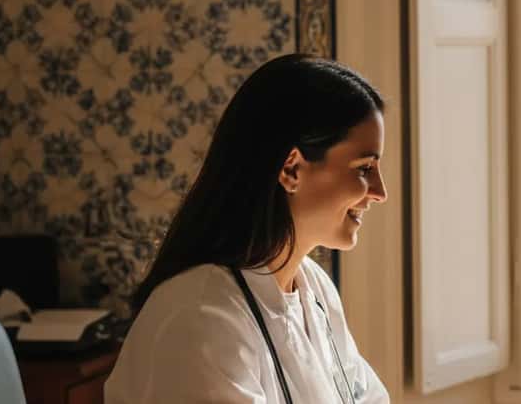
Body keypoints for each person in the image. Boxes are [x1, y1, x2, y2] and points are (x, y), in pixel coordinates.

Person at [105, 54, 390, 404]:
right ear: (292, 169)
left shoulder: (314, 289)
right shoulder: (200, 320)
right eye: (364, 168)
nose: (380, 192)